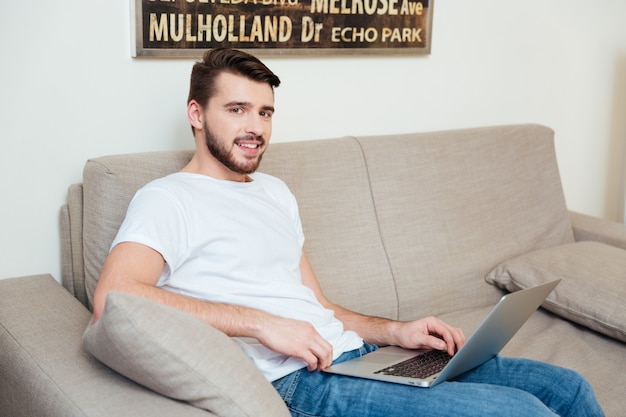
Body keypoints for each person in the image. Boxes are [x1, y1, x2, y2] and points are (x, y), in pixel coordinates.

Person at [92, 47, 604, 417]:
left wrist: (397, 332)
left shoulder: (274, 192)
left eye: (265, 112)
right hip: (300, 382)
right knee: (517, 412)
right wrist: (261, 323)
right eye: (237, 109)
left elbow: (322, 307)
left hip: (361, 359)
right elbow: (114, 297)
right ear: (196, 114)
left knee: (567, 387)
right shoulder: (167, 198)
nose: (256, 127)